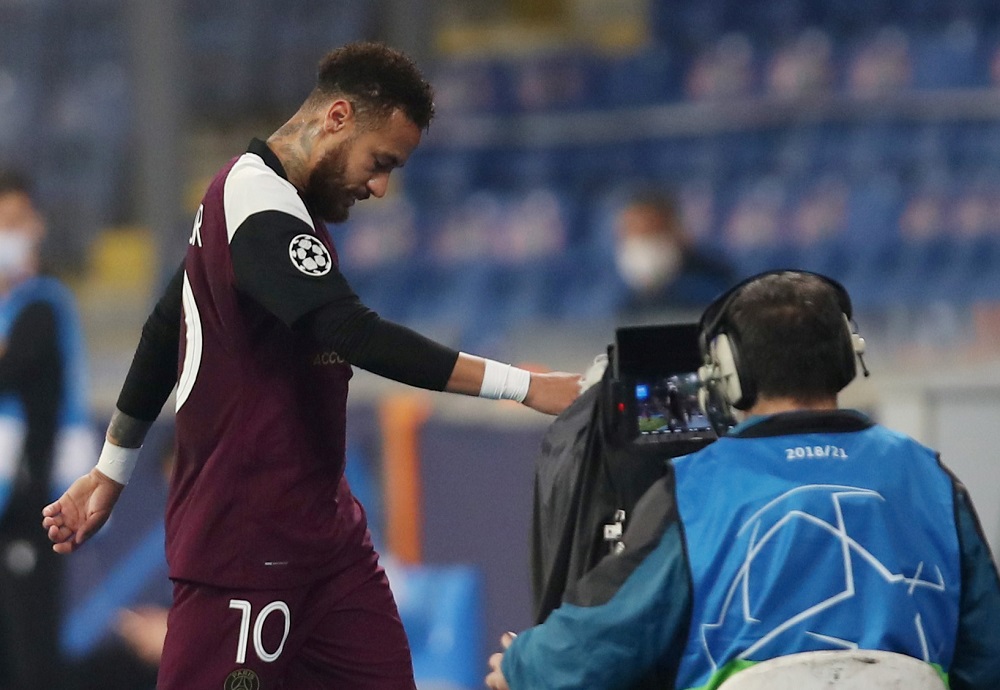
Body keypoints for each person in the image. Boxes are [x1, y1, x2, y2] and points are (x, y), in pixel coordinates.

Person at [42, 42, 581, 690]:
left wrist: (112, 468)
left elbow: (166, 323)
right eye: (379, 163)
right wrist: (525, 386)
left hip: (327, 548)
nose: (380, 188)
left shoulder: (278, 210)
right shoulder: (253, 203)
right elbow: (350, 331)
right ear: (337, 118)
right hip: (243, 546)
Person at [487, 270, 1000, 690]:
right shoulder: (930, 476)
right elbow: (987, 655)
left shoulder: (694, 490)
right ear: (849, 353)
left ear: (727, 371)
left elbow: (603, 644)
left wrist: (523, 665)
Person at [0, 170, 95, 689]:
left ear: (35, 225)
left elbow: (13, 371)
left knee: (33, 662)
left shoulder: (43, 304)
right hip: (10, 506)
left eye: (14, 221)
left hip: (37, 503)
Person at [612, 188, 734, 321]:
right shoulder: (617, 299)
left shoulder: (716, 285)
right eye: (634, 234)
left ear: (677, 231)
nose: (641, 244)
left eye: (652, 233)